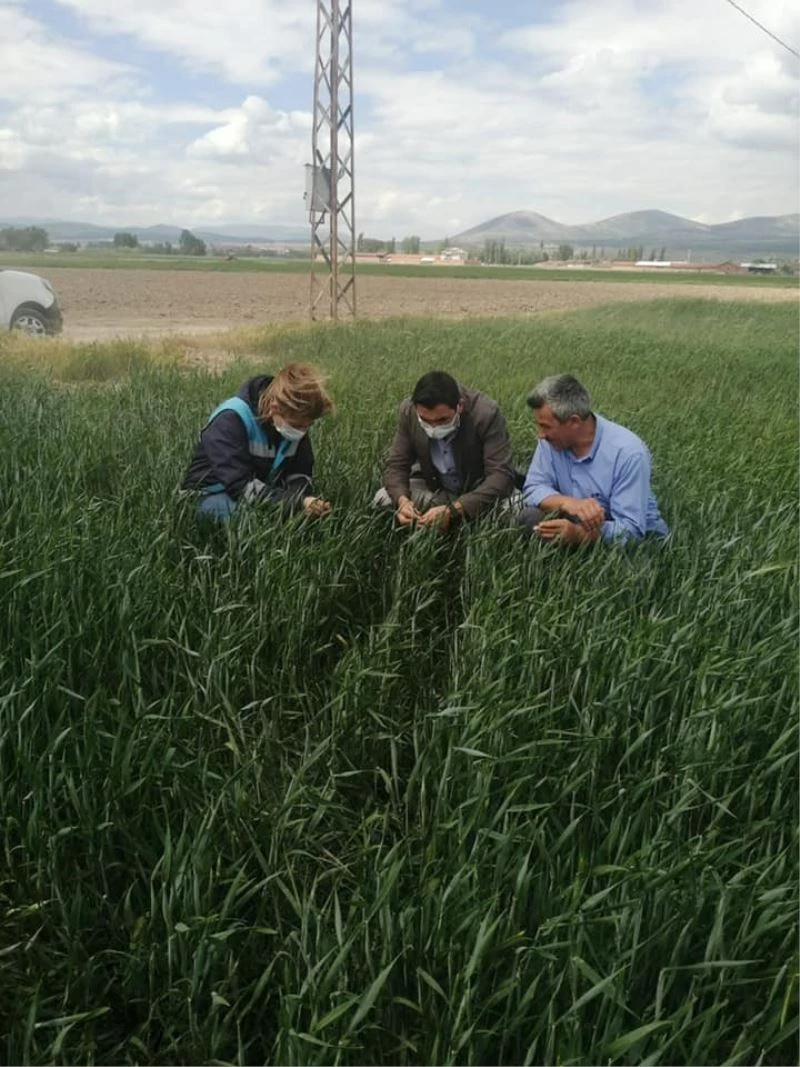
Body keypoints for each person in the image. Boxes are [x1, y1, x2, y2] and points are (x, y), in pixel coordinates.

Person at [519, 374, 669, 545]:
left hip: (635, 543)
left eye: (546, 426)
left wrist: (580, 536)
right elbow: (534, 487)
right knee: (529, 518)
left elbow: (632, 531)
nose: (540, 434)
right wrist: (567, 503)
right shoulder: (550, 441)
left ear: (574, 422)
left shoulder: (628, 453)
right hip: (572, 524)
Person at [181, 362, 333, 522]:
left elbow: (300, 472)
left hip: (255, 492)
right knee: (256, 522)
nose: (303, 431)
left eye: (309, 425)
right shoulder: (230, 420)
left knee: (297, 518)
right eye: (298, 425)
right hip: (208, 495)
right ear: (275, 408)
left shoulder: (293, 421)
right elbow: (240, 485)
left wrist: (302, 500)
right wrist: (295, 503)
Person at [375, 370, 515, 530]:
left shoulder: (485, 414)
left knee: (515, 512)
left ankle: (460, 523)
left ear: (460, 406)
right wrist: (402, 502)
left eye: (442, 420)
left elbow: (501, 475)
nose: (434, 427)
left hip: (479, 493)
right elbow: (396, 465)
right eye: (426, 420)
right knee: (383, 498)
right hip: (436, 490)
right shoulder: (409, 412)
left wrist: (454, 511)